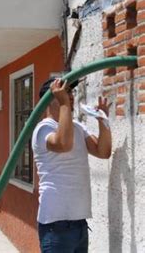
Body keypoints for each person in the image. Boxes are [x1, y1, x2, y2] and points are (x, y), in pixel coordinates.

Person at [32, 77, 112, 253]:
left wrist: (103, 120)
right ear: (50, 97)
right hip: (56, 225)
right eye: (66, 91)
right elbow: (63, 144)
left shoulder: (77, 127)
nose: (71, 96)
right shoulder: (43, 129)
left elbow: (103, 151)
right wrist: (64, 105)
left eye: (71, 92)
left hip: (79, 223)